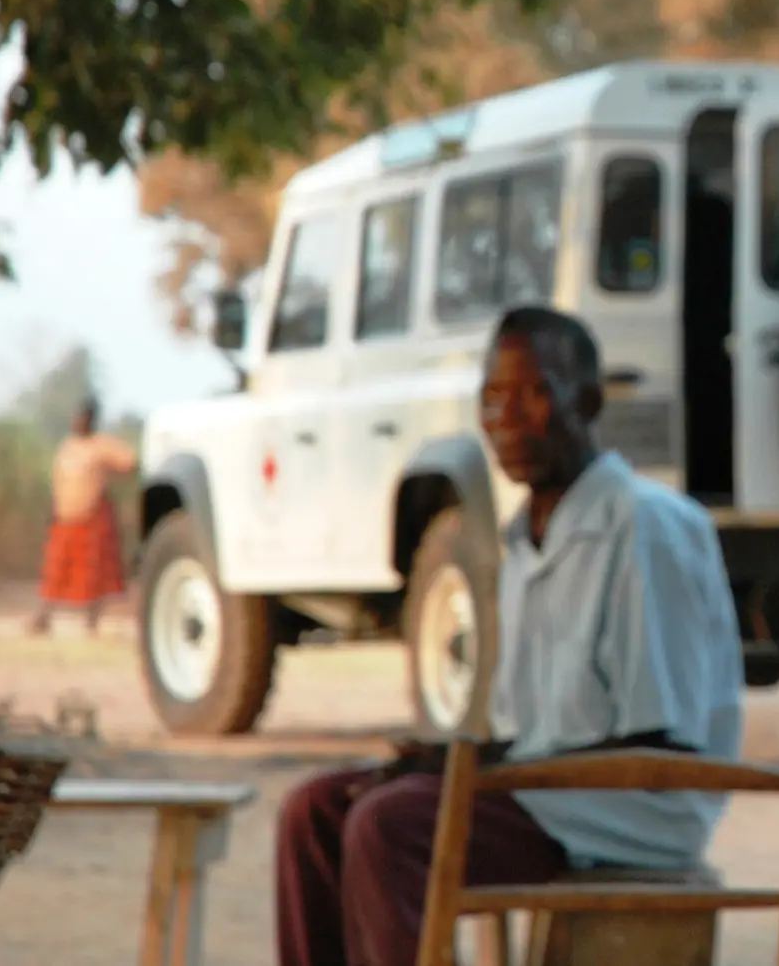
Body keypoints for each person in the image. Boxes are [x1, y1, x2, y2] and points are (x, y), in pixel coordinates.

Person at [275, 306, 743, 966]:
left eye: (533, 393)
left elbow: (657, 741)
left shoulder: (645, 525)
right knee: (315, 809)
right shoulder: (521, 544)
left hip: (628, 811)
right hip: (545, 794)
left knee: (392, 826)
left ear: (586, 399)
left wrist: (483, 771)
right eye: (492, 397)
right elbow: (531, 737)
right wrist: (449, 759)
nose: (507, 417)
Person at [29, 397, 138, 636]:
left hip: (92, 516)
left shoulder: (102, 445)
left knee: (94, 572)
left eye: (82, 417)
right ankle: (42, 617)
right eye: (75, 416)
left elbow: (130, 462)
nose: (77, 421)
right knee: (56, 569)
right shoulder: (68, 446)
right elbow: (58, 481)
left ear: (91, 419)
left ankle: (91, 621)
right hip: (65, 517)